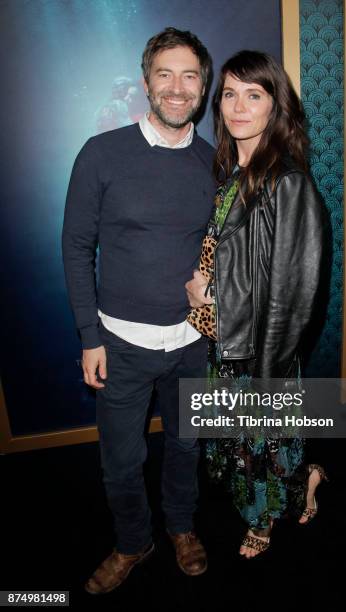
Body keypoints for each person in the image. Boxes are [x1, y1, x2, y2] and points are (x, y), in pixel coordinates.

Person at [62, 28, 215, 593]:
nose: (177, 88)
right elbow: (76, 247)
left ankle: (180, 528)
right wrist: (88, 335)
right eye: (165, 75)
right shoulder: (101, 154)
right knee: (121, 462)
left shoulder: (214, 162)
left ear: (204, 85)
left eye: (190, 75)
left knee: (185, 444)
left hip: (192, 344)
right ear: (147, 80)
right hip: (118, 346)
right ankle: (133, 541)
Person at [185, 50, 328, 559]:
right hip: (225, 339)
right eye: (229, 94)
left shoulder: (287, 181)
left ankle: (264, 521)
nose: (238, 107)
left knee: (262, 445)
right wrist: (204, 282)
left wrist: (268, 370)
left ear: (275, 107)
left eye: (254, 95)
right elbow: (233, 254)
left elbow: (296, 293)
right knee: (236, 444)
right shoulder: (230, 172)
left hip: (259, 350)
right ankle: (307, 477)